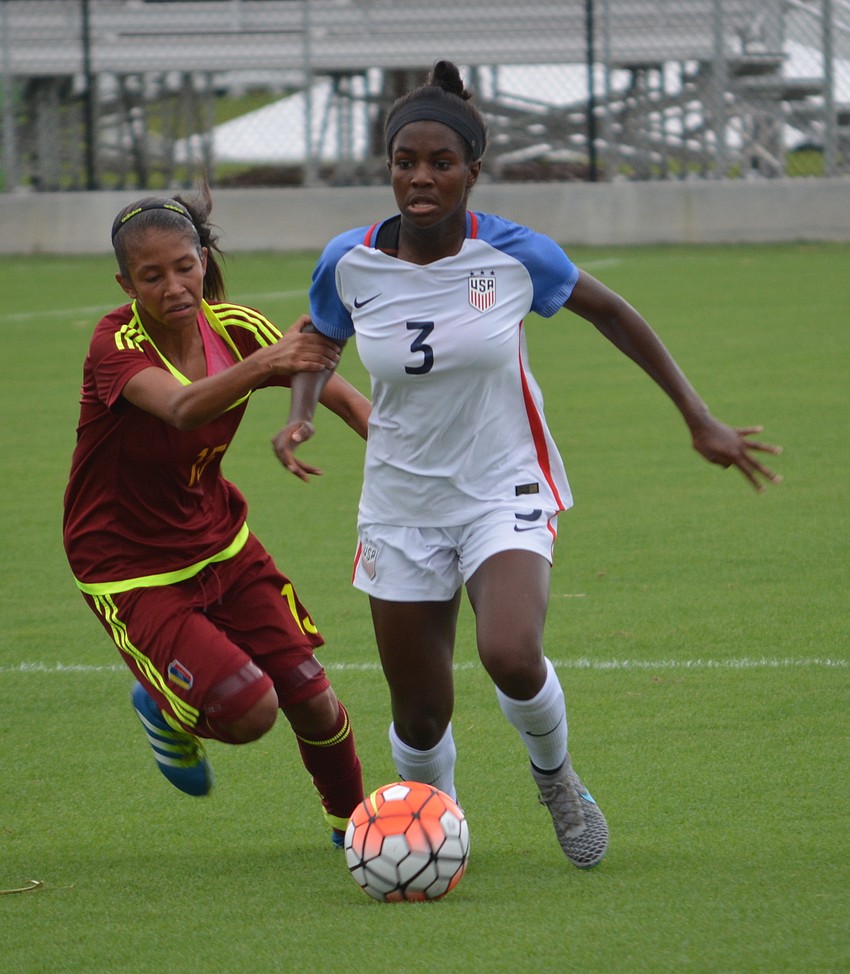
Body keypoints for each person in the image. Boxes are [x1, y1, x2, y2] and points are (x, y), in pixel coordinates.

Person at [276, 61, 783, 869]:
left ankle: (556, 780)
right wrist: (301, 413)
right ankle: (430, 837)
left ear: (473, 171)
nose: (421, 177)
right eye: (406, 161)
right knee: (419, 716)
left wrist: (698, 417)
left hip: (502, 486)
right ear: (389, 166)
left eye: (441, 162)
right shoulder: (350, 258)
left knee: (510, 652)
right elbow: (319, 335)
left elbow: (614, 313)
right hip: (400, 504)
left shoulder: (515, 254)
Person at [62, 187, 369, 848]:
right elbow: (181, 408)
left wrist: (392, 444)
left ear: (202, 258)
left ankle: (359, 830)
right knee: (249, 709)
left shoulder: (234, 326)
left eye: (184, 266)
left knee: (310, 693)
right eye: (152, 276)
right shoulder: (114, 342)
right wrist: (268, 364)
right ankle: (165, 707)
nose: (173, 285)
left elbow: (336, 387)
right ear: (126, 283)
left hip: (222, 545)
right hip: (128, 566)